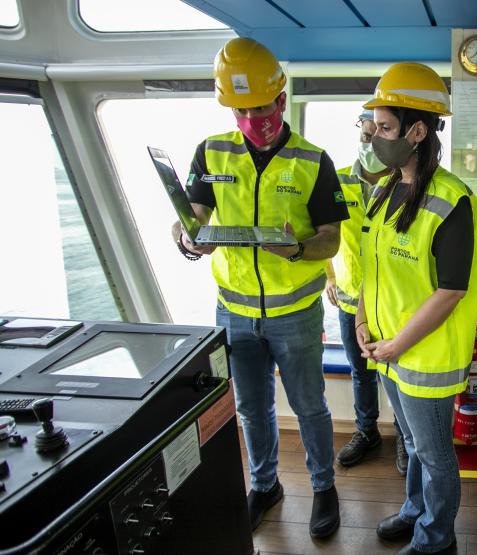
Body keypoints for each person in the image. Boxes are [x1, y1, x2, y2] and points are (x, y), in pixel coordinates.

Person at [172, 37, 347, 538]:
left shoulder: (314, 161)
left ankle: (322, 487)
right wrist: (188, 238)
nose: (253, 117)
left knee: (310, 406)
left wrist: (296, 249)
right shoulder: (211, 152)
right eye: (241, 109)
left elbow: (331, 240)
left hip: (295, 313)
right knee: (250, 407)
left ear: (282, 99)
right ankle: (265, 484)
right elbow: (193, 216)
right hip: (233, 310)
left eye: (261, 107)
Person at [355, 62, 477, 555]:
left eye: (384, 127)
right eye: (372, 127)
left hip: (422, 353)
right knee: (410, 443)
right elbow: (371, 265)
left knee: (433, 452)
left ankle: (436, 539)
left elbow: (449, 290)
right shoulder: (384, 190)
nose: (375, 137)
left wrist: (396, 344)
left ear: (418, 130)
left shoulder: (453, 199)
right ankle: (414, 512)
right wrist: (363, 320)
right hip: (387, 347)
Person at [328, 109, 409, 475]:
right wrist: (329, 276)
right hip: (349, 297)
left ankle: (406, 441)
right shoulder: (338, 180)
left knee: (395, 374)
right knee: (360, 371)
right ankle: (366, 431)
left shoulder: (406, 183)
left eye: (379, 133)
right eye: (365, 134)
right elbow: (324, 231)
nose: (370, 141)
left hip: (390, 301)